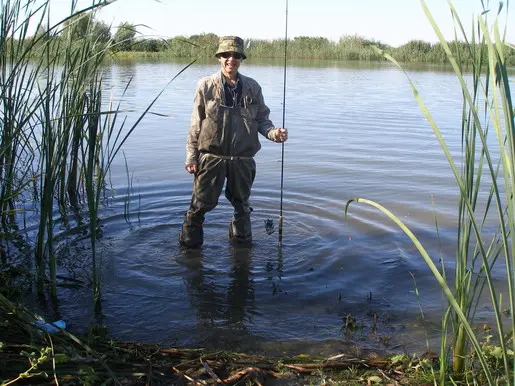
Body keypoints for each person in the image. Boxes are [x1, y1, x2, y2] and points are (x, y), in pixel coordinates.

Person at [180, 36, 288, 248]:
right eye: (227, 55)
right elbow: (195, 125)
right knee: (199, 206)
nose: (231, 59)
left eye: (236, 55)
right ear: (220, 57)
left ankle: (241, 246)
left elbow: (262, 121)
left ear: (241, 59)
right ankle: (189, 250)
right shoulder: (206, 86)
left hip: (243, 160)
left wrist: (275, 133)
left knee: (242, 207)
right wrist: (191, 156)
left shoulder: (252, 87)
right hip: (211, 158)